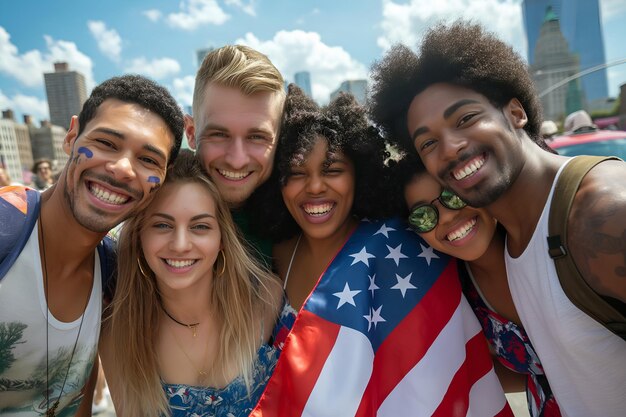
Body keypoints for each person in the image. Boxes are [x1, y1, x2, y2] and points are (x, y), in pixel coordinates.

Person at [369, 20, 626, 417]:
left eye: (466, 118)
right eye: (429, 143)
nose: (451, 147)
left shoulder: (600, 211)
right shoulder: (512, 243)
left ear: (516, 111)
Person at [250, 85, 512, 416]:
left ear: (359, 174)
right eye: (296, 174)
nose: (315, 186)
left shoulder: (404, 243)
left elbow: (459, 362)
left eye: (333, 170)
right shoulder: (275, 253)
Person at [0, 74, 184, 416]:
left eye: (148, 160)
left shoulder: (115, 272)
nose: (121, 169)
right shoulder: (5, 227)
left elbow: (75, 392)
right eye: (107, 143)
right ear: (72, 136)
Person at [99, 150, 282, 417]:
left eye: (200, 227)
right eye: (162, 225)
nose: (181, 245)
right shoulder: (117, 333)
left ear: (222, 239)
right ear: (139, 238)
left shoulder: (264, 297)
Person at [390, 153, 561, 417]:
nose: (446, 217)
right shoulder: (458, 297)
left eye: (452, 195)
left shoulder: (553, 246)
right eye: (423, 216)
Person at [184, 45, 285, 265]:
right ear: (191, 133)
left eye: (257, 137)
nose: (237, 159)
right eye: (219, 135)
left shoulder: (302, 218)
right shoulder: (149, 217)